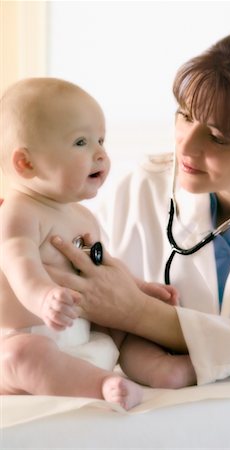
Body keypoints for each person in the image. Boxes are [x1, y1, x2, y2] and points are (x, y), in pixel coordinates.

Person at [49, 23, 230, 387]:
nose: (186, 146)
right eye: (185, 115)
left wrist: (141, 315)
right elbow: (77, 291)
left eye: (217, 137)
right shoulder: (142, 189)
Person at [0, 77, 181, 409]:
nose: (100, 153)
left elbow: (99, 265)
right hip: (29, 338)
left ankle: (163, 370)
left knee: (127, 326)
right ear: (26, 163)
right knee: (20, 356)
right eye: (81, 142)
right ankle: (102, 385)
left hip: (82, 336)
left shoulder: (81, 216)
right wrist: (43, 298)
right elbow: (18, 265)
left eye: (101, 139)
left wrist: (137, 287)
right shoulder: (18, 212)